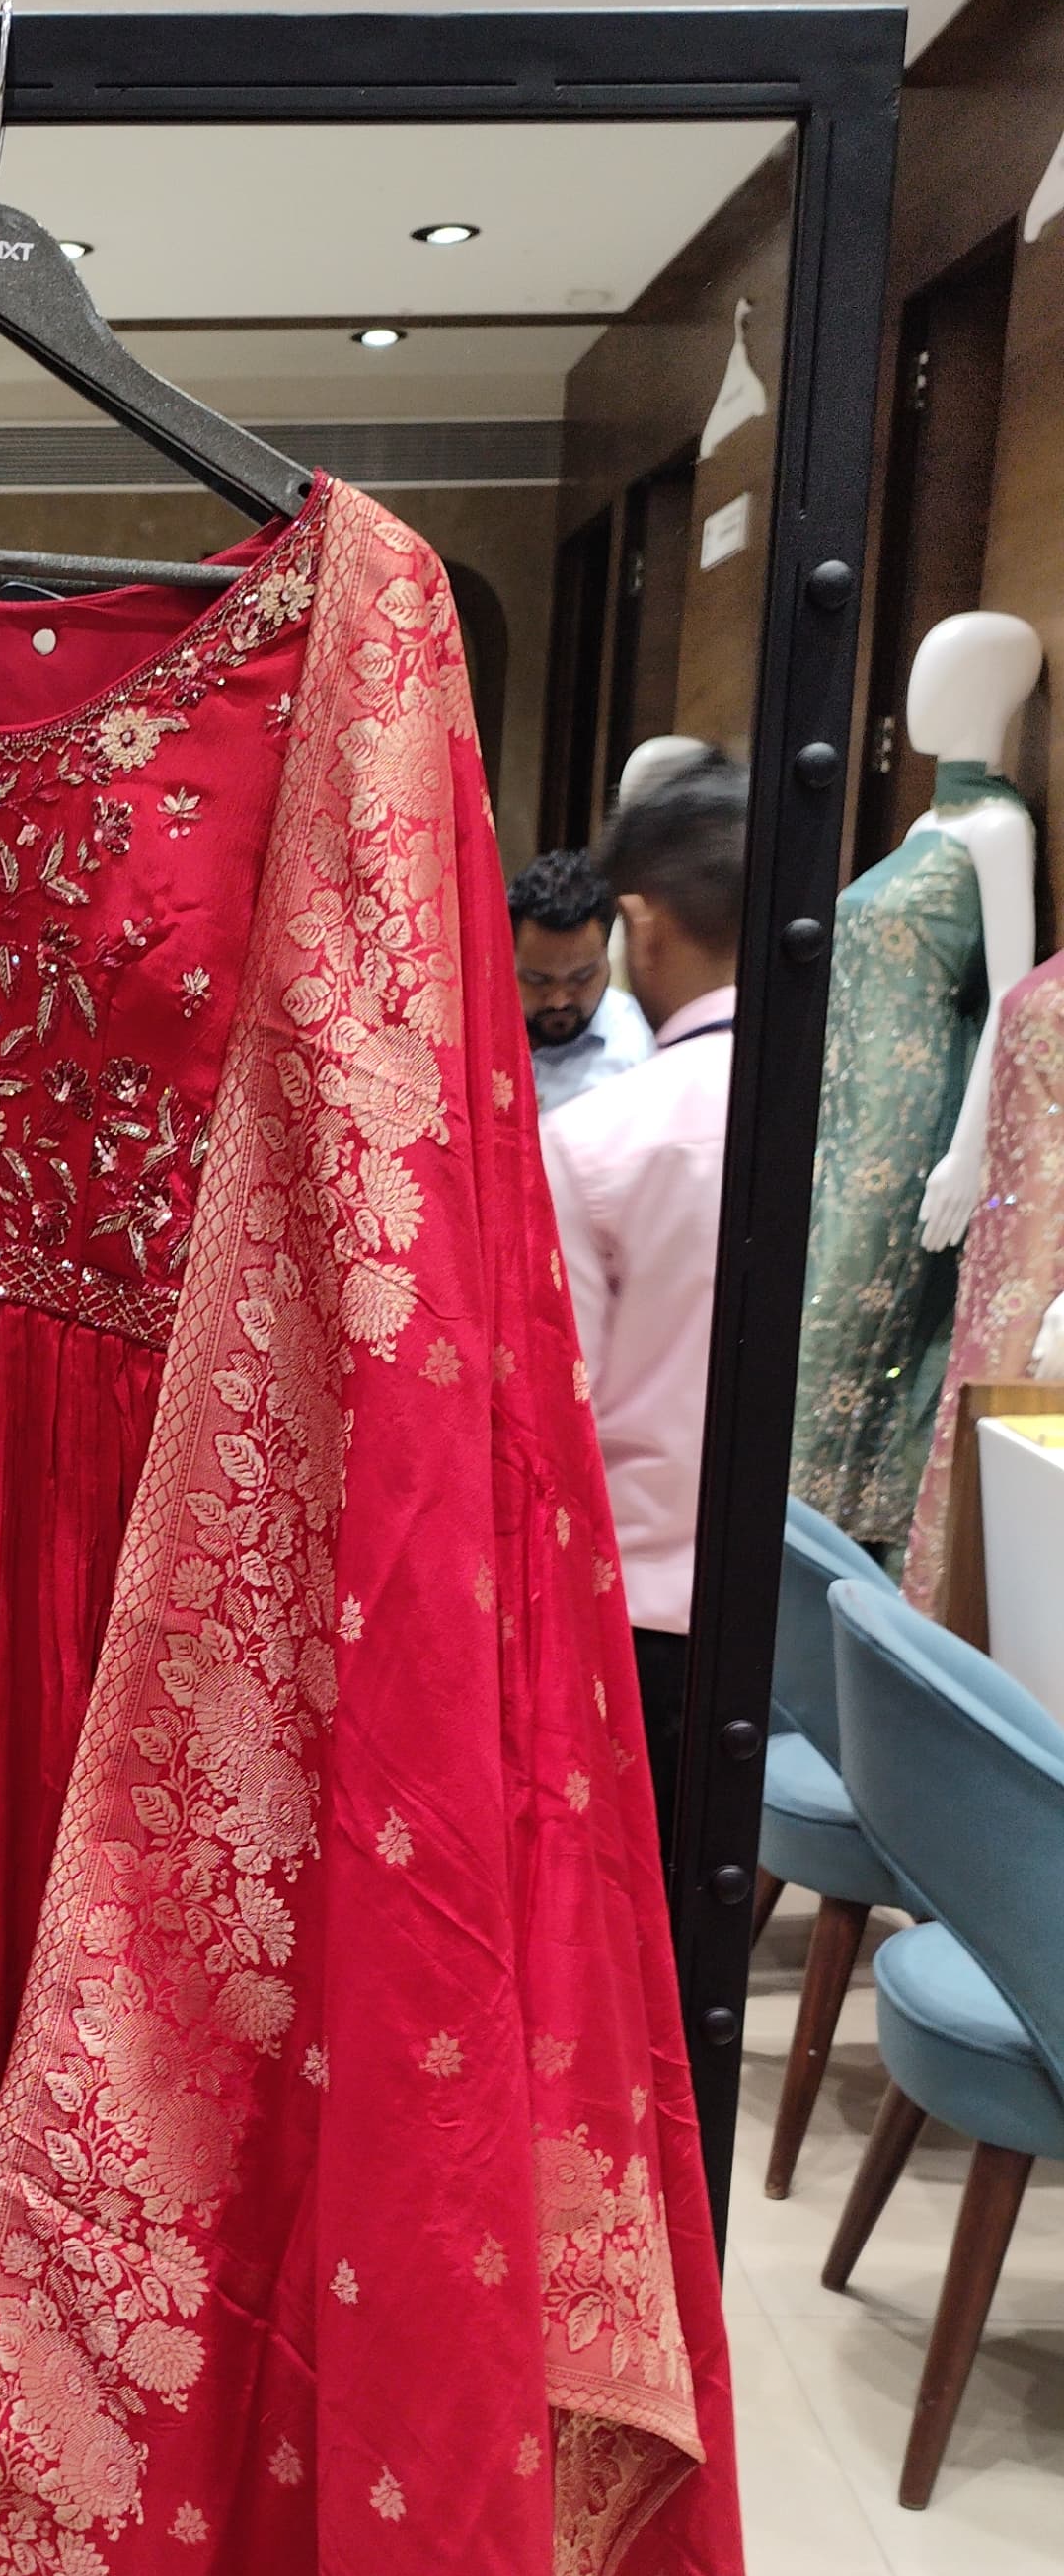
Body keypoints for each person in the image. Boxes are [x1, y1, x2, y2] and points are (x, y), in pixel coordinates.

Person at [540, 755, 748, 1856]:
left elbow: (556, 1413)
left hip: (632, 1608)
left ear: (642, 924)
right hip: (782, 1594)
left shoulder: (599, 1144)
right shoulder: (822, 1109)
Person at [506, 846, 652, 1110]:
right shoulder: (465, 1032)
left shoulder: (640, 1055)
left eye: (582, 977)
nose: (559, 1001)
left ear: (607, 954)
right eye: (537, 979)